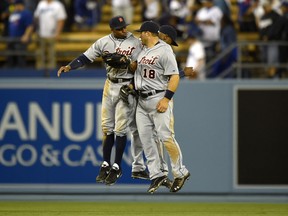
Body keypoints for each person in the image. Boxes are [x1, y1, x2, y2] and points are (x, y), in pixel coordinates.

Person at [57, 16, 146, 186]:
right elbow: (85, 57)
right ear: (112, 29)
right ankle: (105, 164)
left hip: (126, 85)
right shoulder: (103, 42)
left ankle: (117, 166)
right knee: (106, 127)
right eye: (120, 28)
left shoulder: (135, 42)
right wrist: (69, 66)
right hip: (109, 84)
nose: (124, 30)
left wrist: (129, 65)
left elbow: (140, 66)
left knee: (120, 129)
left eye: (125, 27)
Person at [133, 21, 190, 193]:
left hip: (159, 97)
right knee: (147, 139)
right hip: (141, 100)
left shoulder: (165, 50)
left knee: (166, 137)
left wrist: (166, 99)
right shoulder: (142, 50)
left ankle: (181, 172)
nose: (139, 35)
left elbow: (174, 77)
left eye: (141, 33)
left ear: (148, 33)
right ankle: (157, 174)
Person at [34, 0, 67, 75]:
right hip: (41, 33)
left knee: (51, 54)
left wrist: (58, 33)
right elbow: (37, 17)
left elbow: (61, 19)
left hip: (52, 34)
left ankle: (51, 72)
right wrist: (37, 30)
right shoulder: (41, 3)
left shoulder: (57, 5)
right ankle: (39, 71)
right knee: (40, 53)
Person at [7, 0, 34, 68]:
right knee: (10, 55)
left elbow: (30, 26)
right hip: (12, 37)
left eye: (17, 5)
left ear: (21, 5)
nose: (16, 6)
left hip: (21, 38)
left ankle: (21, 71)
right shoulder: (13, 13)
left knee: (20, 56)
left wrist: (26, 35)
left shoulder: (26, 13)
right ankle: (11, 69)